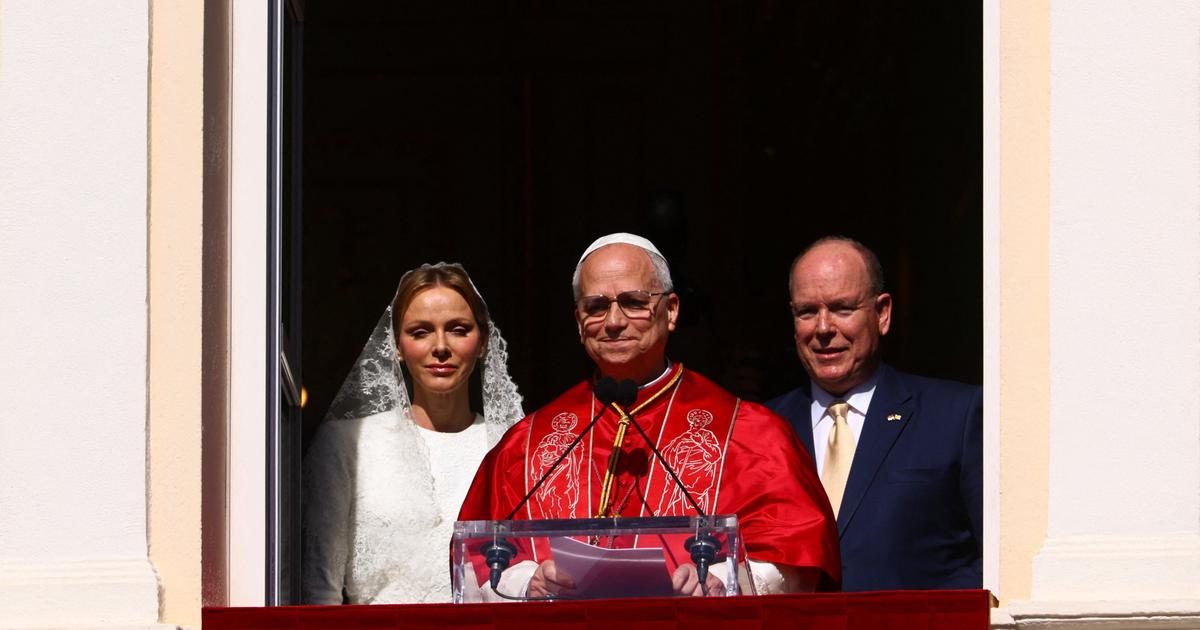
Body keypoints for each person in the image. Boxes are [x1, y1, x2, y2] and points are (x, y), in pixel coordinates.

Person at [458, 233, 839, 599]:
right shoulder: (528, 442)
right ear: (578, 322)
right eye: (596, 307)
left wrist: (719, 580)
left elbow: (794, 559)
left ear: (671, 310)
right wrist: (529, 582)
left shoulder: (751, 434)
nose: (613, 321)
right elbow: (478, 559)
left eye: (633, 302)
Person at [766, 236, 983, 591]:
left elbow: (994, 561)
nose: (823, 328)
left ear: (882, 313)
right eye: (807, 312)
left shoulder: (956, 416)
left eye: (842, 308)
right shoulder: (763, 427)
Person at [302, 262, 525, 604]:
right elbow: (319, 589)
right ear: (397, 347)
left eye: (458, 329)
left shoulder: (510, 444)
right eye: (420, 332)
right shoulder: (350, 443)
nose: (440, 346)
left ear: (482, 342)